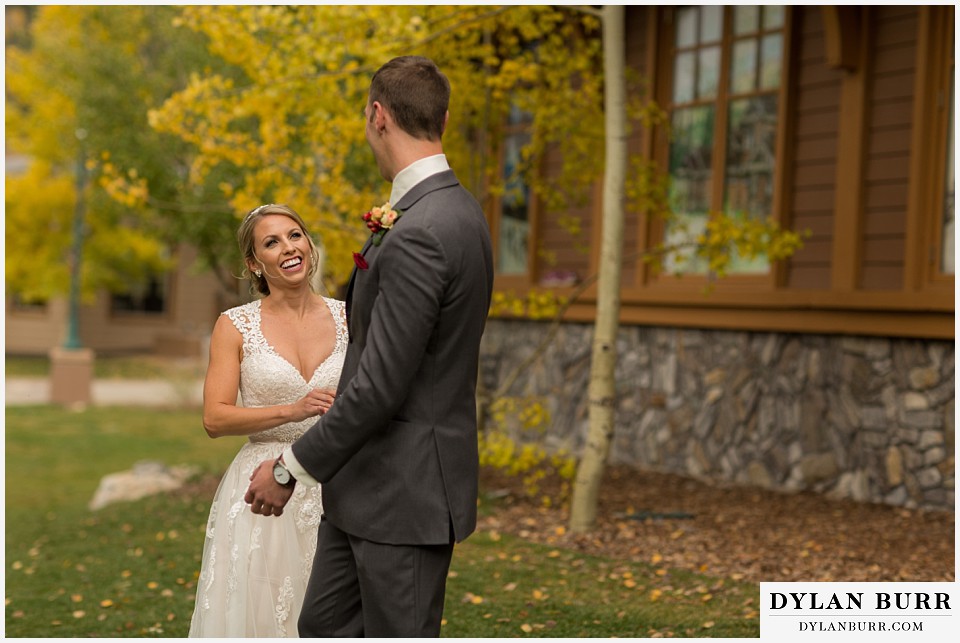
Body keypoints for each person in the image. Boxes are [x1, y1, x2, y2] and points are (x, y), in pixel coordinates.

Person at [244, 55, 494, 637]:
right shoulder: (454, 212)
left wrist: (288, 470)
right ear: (444, 118)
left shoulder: (423, 231)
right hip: (366, 488)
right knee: (323, 626)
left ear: (378, 116)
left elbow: (383, 385)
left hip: (402, 495)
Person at [189, 203, 347, 637]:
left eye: (295, 235)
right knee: (265, 615)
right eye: (271, 242)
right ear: (254, 263)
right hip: (263, 486)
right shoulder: (235, 325)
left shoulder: (351, 315)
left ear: (309, 245)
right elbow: (214, 418)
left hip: (338, 479)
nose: (288, 248)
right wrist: (292, 409)